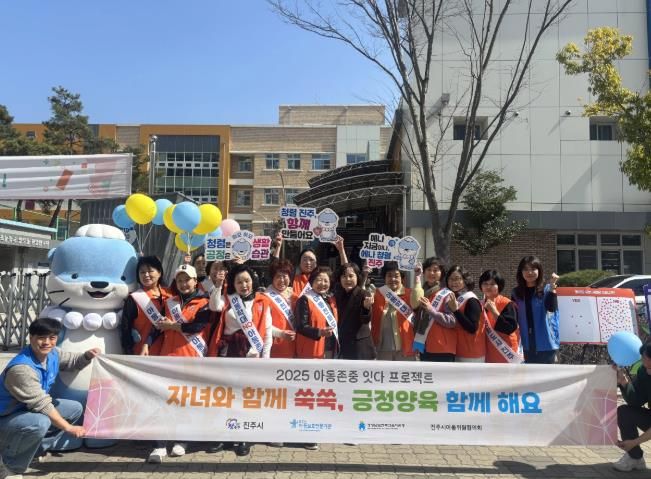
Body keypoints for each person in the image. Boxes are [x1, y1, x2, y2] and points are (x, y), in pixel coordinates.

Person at [0, 318, 99, 478]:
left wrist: (87, 356)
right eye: (41, 337)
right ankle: (9, 467)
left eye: (52, 338)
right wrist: (68, 428)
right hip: (6, 416)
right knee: (40, 422)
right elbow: (42, 405)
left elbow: (73, 361)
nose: (47, 342)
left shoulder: (53, 353)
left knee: (74, 408)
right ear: (31, 338)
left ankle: (31, 452)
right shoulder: (21, 369)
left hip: (26, 410)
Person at [143, 264, 213, 464]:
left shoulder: (204, 302)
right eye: (180, 280)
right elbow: (158, 327)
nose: (183, 284)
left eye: (187, 280)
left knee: (187, 402)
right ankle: (159, 445)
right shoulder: (170, 302)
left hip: (192, 359)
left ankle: (183, 440)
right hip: (168, 358)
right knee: (164, 402)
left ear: (195, 281)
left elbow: (197, 326)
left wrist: (173, 326)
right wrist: (147, 344)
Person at [208, 263, 272, 457]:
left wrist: (265, 358)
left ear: (253, 281)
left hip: (250, 353)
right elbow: (214, 306)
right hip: (228, 352)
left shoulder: (262, 301)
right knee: (225, 395)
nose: (244, 285)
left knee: (245, 396)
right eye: (239, 282)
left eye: (247, 281)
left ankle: (243, 436)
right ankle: (223, 435)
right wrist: (218, 286)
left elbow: (267, 332)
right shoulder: (227, 299)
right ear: (233, 284)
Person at [294, 266, 339, 452]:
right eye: (319, 279)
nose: (323, 283)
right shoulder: (305, 299)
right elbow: (301, 326)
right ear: (311, 281)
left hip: (328, 352)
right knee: (309, 394)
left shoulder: (331, 299)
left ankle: (320, 428)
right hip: (310, 352)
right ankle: (308, 434)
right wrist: (319, 332)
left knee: (323, 394)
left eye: (326, 280)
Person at [511, 256, 560, 364]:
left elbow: (552, 308)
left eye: (533, 269)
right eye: (525, 269)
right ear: (521, 272)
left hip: (546, 344)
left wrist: (552, 288)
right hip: (525, 345)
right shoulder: (516, 293)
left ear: (539, 270)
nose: (529, 272)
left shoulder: (547, 289)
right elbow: (514, 317)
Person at [120, 256, 170, 355]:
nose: (146, 275)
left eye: (150, 271)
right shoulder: (134, 298)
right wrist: (128, 352)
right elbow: (125, 328)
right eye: (142, 272)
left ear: (159, 273)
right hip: (142, 354)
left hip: (167, 353)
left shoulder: (170, 295)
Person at [614, 340, 651, 472]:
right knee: (624, 412)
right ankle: (635, 458)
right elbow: (636, 401)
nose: (641, 359)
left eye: (644, 357)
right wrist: (623, 382)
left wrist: (634, 442)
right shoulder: (643, 371)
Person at [370, 262, 419, 361]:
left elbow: (417, 302)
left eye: (396, 276)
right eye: (389, 276)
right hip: (383, 347)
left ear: (402, 278)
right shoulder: (376, 294)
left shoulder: (410, 294)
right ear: (384, 278)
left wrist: (417, 277)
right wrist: (364, 276)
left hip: (406, 347)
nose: (393, 279)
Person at [412, 258, 456, 362]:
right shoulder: (422, 291)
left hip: (442, 348)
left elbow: (452, 321)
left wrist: (431, 310)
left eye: (435, 270)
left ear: (441, 273)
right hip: (423, 345)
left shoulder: (447, 294)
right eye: (428, 270)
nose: (431, 273)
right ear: (424, 272)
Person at [477, 270, 521, 363]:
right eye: (485, 283)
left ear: (499, 286)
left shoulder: (507, 303)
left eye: (492, 284)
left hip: (506, 352)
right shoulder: (479, 304)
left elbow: (510, 328)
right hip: (487, 353)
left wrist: (494, 312)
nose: (488, 287)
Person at [334, 262, 374, 360]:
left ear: (357, 277)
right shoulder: (337, 294)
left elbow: (365, 320)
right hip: (343, 344)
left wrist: (366, 308)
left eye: (351, 276)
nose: (347, 279)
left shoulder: (364, 294)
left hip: (360, 346)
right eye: (344, 276)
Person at [444, 265, 484, 362]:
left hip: (471, 353)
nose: (454, 282)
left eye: (457, 279)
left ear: (465, 280)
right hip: (458, 350)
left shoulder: (471, 299)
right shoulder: (454, 297)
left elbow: (472, 328)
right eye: (451, 279)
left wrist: (456, 311)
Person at [261, 259, 297, 359]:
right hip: (274, 346)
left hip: (295, 345)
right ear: (272, 278)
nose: (282, 280)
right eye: (278, 276)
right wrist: (280, 334)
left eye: (285, 276)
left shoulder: (295, 297)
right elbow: (263, 325)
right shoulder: (265, 297)